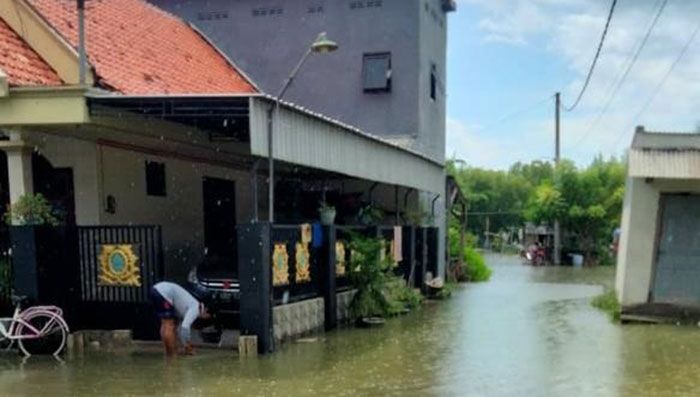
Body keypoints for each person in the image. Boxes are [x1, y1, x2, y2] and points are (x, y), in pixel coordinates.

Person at [150, 281, 211, 356]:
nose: (206, 318)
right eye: (207, 316)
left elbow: (177, 328)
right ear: (206, 311)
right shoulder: (196, 308)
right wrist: (187, 346)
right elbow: (185, 327)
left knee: (166, 324)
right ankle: (172, 355)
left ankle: (168, 352)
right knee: (169, 325)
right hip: (164, 292)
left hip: (155, 289)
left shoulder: (187, 304)